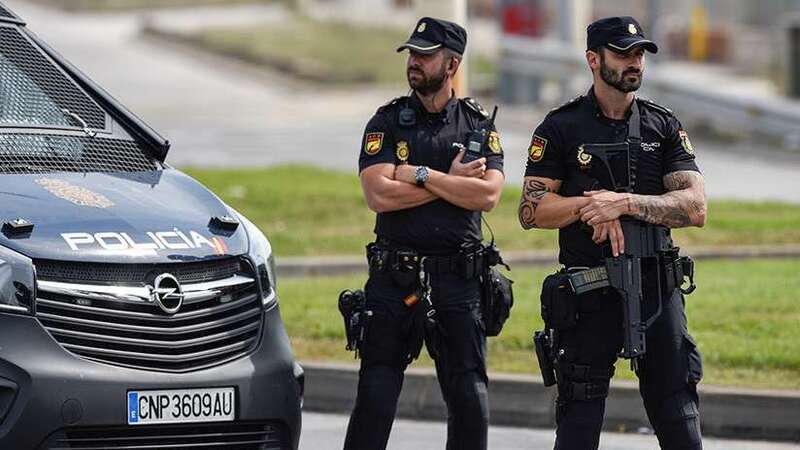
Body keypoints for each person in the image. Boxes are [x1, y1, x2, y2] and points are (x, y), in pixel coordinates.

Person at [519, 16, 706, 450]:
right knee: (578, 423)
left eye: (639, 53)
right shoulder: (560, 127)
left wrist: (622, 203)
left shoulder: (662, 126)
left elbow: (695, 208)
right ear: (593, 59)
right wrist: (589, 205)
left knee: (680, 416)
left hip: (657, 290)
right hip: (588, 292)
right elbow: (531, 211)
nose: (634, 62)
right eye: (623, 53)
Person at [343, 17, 505, 450]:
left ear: (452, 64)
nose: (414, 62)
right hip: (394, 280)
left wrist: (417, 175)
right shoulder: (388, 121)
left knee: (470, 400)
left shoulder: (476, 126)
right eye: (412, 54)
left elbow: (487, 195)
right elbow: (378, 194)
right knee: (375, 399)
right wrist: (450, 185)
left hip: (458, 282)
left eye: (424, 55)